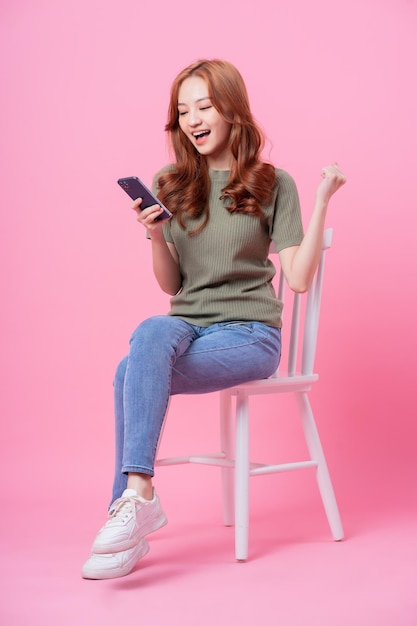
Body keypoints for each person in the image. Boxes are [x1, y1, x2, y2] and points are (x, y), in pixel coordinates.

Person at [82, 58, 346, 580]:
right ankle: (138, 497)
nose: (193, 118)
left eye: (204, 106)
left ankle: (128, 510)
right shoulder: (171, 183)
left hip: (250, 336)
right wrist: (155, 232)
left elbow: (295, 278)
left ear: (232, 111)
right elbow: (172, 286)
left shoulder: (274, 182)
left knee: (126, 371)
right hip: (187, 328)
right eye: (183, 110)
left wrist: (321, 202)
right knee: (152, 330)